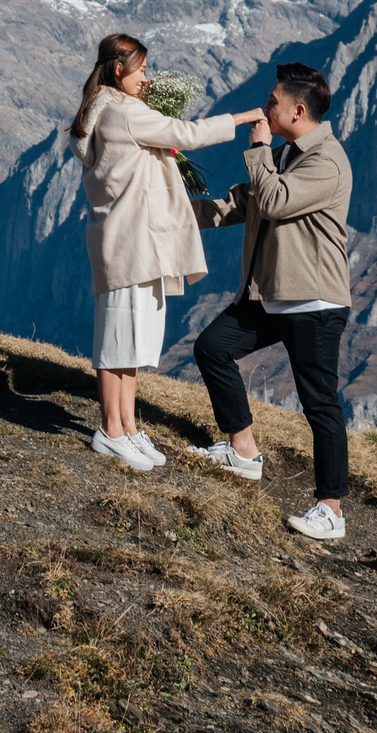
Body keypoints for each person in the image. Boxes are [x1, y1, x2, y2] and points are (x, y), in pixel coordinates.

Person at [69, 33, 259, 472]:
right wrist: (244, 116)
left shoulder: (109, 111)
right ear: (120, 70)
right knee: (118, 340)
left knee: (132, 340)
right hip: (130, 240)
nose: (146, 79)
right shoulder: (123, 113)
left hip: (136, 240)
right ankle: (110, 430)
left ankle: (128, 427)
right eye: (142, 71)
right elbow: (186, 133)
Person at [184, 62, 354, 541]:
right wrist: (170, 210)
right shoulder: (282, 155)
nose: (265, 110)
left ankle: (331, 509)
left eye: (274, 104)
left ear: (298, 110)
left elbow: (276, 201)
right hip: (270, 294)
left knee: (319, 403)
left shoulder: (327, 161)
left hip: (313, 302)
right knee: (212, 348)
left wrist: (258, 148)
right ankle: (242, 451)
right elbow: (239, 204)